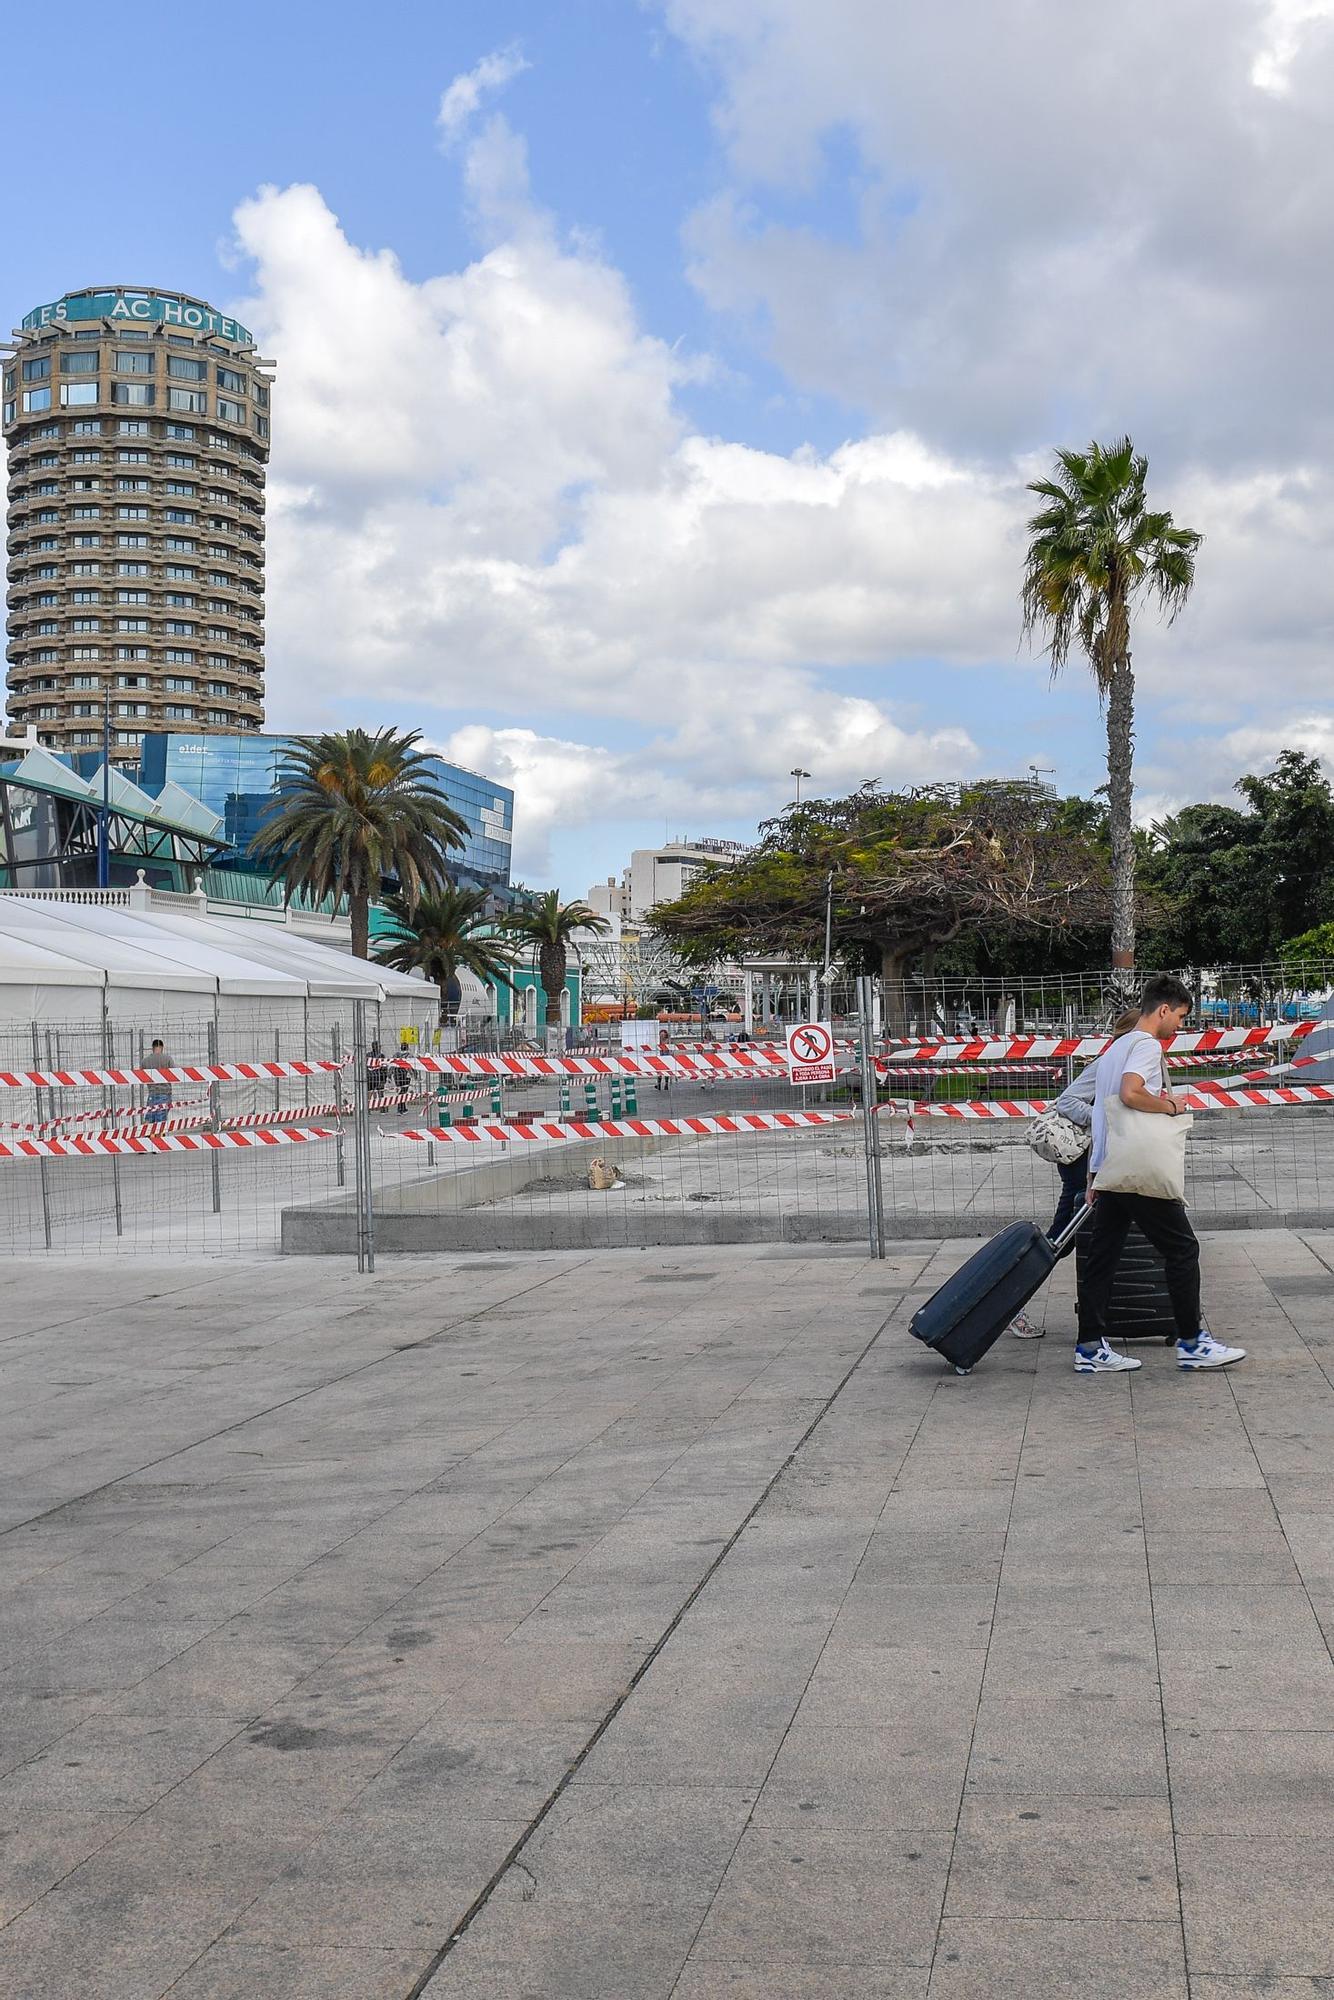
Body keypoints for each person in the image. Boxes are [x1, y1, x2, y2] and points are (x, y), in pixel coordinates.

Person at [1073, 973, 1246, 1376]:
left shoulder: (1115, 1048)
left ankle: (1089, 1346)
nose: (1180, 1026)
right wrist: (1171, 1105)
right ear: (1163, 1009)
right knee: (1182, 1249)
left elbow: (1104, 1111)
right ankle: (1192, 1341)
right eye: (1181, 1017)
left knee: (1104, 1256)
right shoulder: (1147, 1045)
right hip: (1140, 1167)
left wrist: (1094, 1172)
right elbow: (1132, 1094)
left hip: (1114, 1166)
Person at [1009, 1007, 1139, 1338]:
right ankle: (1010, 1301)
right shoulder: (1107, 1065)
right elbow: (1068, 1101)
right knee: (1060, 1240)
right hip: (1080, 1163)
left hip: (1092, 1163)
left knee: (1066, 1239)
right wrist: (1104, 1117)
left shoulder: (1129, 1067)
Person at [143, 1038, 173, 1128]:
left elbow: (141, 1077)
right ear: (162, 1047)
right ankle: (160, 1140)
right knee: (161, 1123)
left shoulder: (145, 1061)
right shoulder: (168, 1059)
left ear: (153, 1047)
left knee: (149, 1119)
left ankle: (146, 1139)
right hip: (165, 1093)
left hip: (152, 1094)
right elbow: (175, 1074)